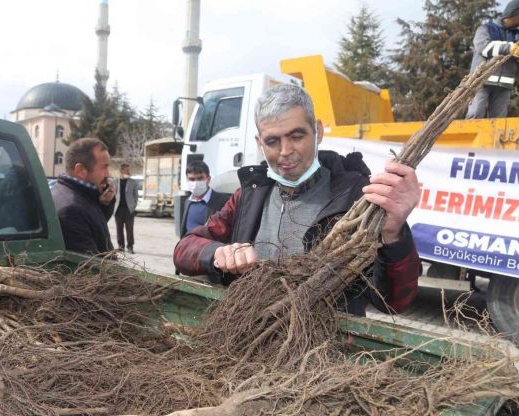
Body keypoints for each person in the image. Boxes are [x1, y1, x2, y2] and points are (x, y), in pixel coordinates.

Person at [173, 84, 420, 316]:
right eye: (272, 141)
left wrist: (394, 234)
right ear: (260, 144)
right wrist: (218, 253)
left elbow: (394, 302)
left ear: (318, 132)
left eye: (296, 136)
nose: (285, 151)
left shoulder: (356, 199)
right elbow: (185, 248)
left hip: (324, 355)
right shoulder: (250, 196)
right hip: (251, 340)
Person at [51, 137, 116, 254]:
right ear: (81, 170)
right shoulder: (71, 211)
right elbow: (90, 266)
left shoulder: (71, 193)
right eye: (104, 167)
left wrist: (105, 204)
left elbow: (93, 227)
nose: (108, 174)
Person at [466, 0, 519, 119]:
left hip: (504, 85)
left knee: (498, 120)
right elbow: (484, 47)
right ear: (514, 13)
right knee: (476, 113)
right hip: (481, 81)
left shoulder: (518, 34)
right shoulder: (486, 29)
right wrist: (510, 47)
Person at [179, 160, 230, 238]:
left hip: (208, 248)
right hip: (189, 247)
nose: (195, 183)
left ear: (208, 179)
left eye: (200, 178)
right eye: (192, 179)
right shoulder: (187, 202)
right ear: (187, 179)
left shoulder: (223, 201)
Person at [113, 163, 139, 253]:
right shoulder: (115, 181)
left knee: (129, 229)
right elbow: (113, 195)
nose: (129, 171)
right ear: (121, 170)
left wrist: (133, 206)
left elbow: (136, 195)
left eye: (129, 170)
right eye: (127, 170)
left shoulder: (133, 182)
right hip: (118, 210)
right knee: (119, 229)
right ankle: (120, 247)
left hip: (129, 210)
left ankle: (130, 247)